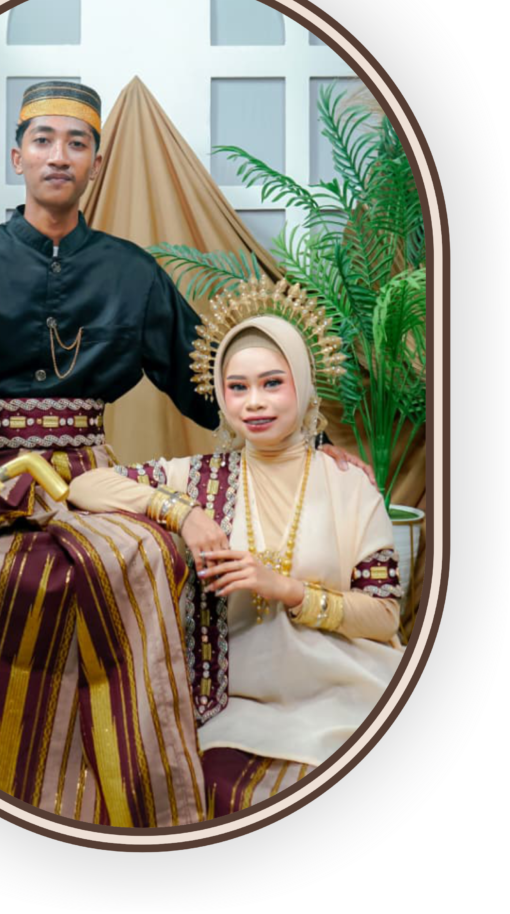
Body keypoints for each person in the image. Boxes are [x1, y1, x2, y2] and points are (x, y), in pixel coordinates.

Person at [0, 80, 372, 827]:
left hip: (90, 479)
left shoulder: (132, 273)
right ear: (17, 157)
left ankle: (116, 780)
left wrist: (315, 447)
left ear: (96, 164)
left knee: (142, 563)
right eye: (43, 140)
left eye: (77, 143)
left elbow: (207, 382)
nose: (59, 156)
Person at [68, 279, 405, 818]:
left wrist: (286, 589)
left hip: (349, 692)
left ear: (304, 384)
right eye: (237, 387)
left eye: (272, 383)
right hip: (233, 707)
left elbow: (385, 617)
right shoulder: (199, 479)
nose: (254, 403)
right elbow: (85, 485)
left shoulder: (348, 485)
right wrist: (184, 513)